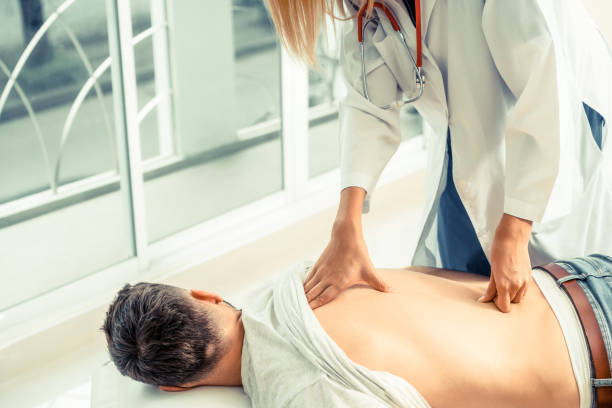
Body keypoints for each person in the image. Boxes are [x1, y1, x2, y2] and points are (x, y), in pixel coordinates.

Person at [264, 0, 612, 312]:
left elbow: (543, 88)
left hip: (561, 115)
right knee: (466, 290)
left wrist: (515, 231)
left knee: (562, 306)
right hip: (465, 131)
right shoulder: (365, 8)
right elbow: (368, 105)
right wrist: (347, 222)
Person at [102, 254, 612, 407]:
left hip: (597, 363)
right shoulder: (303, 276)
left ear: (176, 385)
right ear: (207, 296)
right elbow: (432, 276)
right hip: (576, 277)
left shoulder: (300, 397)